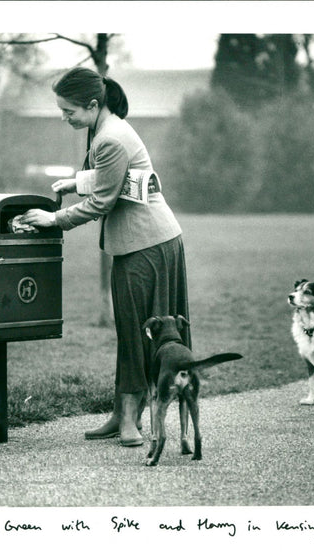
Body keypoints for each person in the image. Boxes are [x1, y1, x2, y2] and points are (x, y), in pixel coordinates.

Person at [20, 67, 191, 448]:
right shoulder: (111, 128)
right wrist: (76, 182)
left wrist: (54, 220)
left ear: (93, 105)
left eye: (69, 111)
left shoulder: (109, 138)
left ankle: (129, 420)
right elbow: (117, 177)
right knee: (133, 330)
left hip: (145, 246)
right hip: (150, 242)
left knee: (136, 333)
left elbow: (102, 201)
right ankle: (121, 414)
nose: (64, 117)